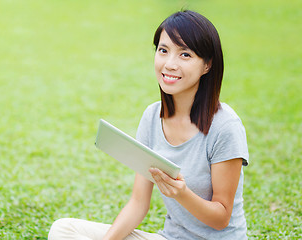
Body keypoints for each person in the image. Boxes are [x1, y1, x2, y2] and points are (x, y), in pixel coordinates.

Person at [48, 10, 249, 240]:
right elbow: (138, 203)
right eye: (163, 51)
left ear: (207, 65)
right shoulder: (153, 117)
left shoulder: (225, 125)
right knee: (63, 230)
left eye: (185, 54)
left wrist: (182, 194)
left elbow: (221, 217)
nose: (170, 64)